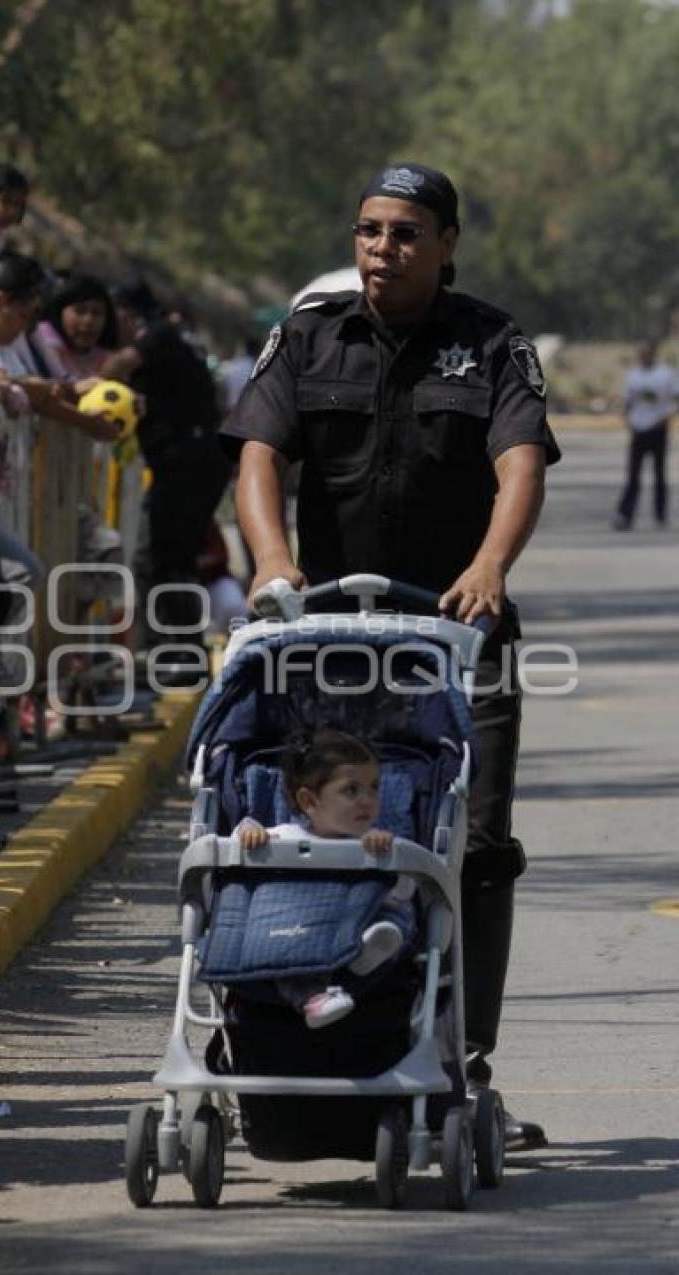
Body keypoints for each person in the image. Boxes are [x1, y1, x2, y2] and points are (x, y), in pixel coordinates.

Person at [222, 162, 561, 1149]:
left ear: (447, 244)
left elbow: (520, 461)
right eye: (369, 230)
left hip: (460, 639)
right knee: (326, 843)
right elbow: (257, 455)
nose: (383, 249)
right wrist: (274, 561)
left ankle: (465, 1064)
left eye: (406, 233)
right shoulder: (309, 334)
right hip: (330, 643)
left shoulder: (489, 343)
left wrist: (491, 566)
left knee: (477, 850)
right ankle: (335, 1046)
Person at [234, 729, 417, 1029]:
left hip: (358, 927)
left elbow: (403, 893)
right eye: (351, 791)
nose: (367, 800)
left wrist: (388, 859)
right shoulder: (283, 838)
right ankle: (314, 999)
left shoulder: (372, 844)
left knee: (396, 915)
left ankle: (366, 952)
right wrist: (248, 831)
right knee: (283, 944)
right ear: (309, 800)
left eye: (374, 788)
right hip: (298, 936)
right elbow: (237, 870)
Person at [105, 280, 231, 643]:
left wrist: (77, 384)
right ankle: (180, 651)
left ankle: (169, 652)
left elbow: (121, 364)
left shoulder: (157, 336)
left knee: (158, 560)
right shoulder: (175, 337)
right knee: (173, 560)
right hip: (196, 461)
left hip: (186, 464)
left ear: (126, 314)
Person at [613, 338, 675, 530]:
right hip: (638, 430)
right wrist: (627, 419)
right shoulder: (634, 375)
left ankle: (660, 515)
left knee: (659, 475)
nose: (644, 356)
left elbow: (676, 398)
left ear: (654, 353)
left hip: (658, 428)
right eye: (641, 352)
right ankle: (625, 515)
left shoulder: (666, 374)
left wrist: (666, 417)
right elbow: (628, 401)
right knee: (633, 476)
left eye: (647, 352)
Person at [35, 273, 118, 386]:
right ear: (59, 312)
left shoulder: (108, 360)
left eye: (97, 313)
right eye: (80, 311)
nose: (89, 320)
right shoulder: (40, 338)